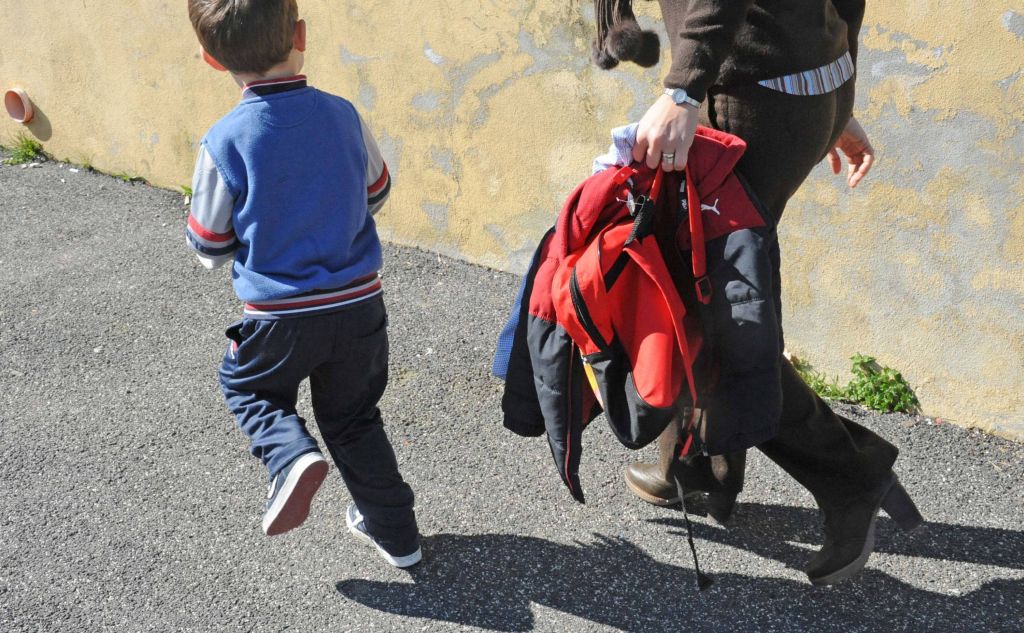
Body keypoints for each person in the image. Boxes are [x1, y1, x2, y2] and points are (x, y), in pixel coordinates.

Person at [590, 0, 921, 584]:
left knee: (711, 318)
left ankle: (851, 475)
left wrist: (684, 89)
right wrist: (834, 87)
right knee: (716, 284)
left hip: (751, 94)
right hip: (799, 86)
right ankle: (699, 466)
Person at [184, 0, 420, 568]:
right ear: (301, 35)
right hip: (360, 307)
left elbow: (209, 244)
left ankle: (288, 455)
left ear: (211, 59)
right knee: (354, 420)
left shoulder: (224, 139)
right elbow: (377, 192)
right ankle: (398, 536)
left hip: (279, 317)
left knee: (247, 387)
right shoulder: (343, 115)